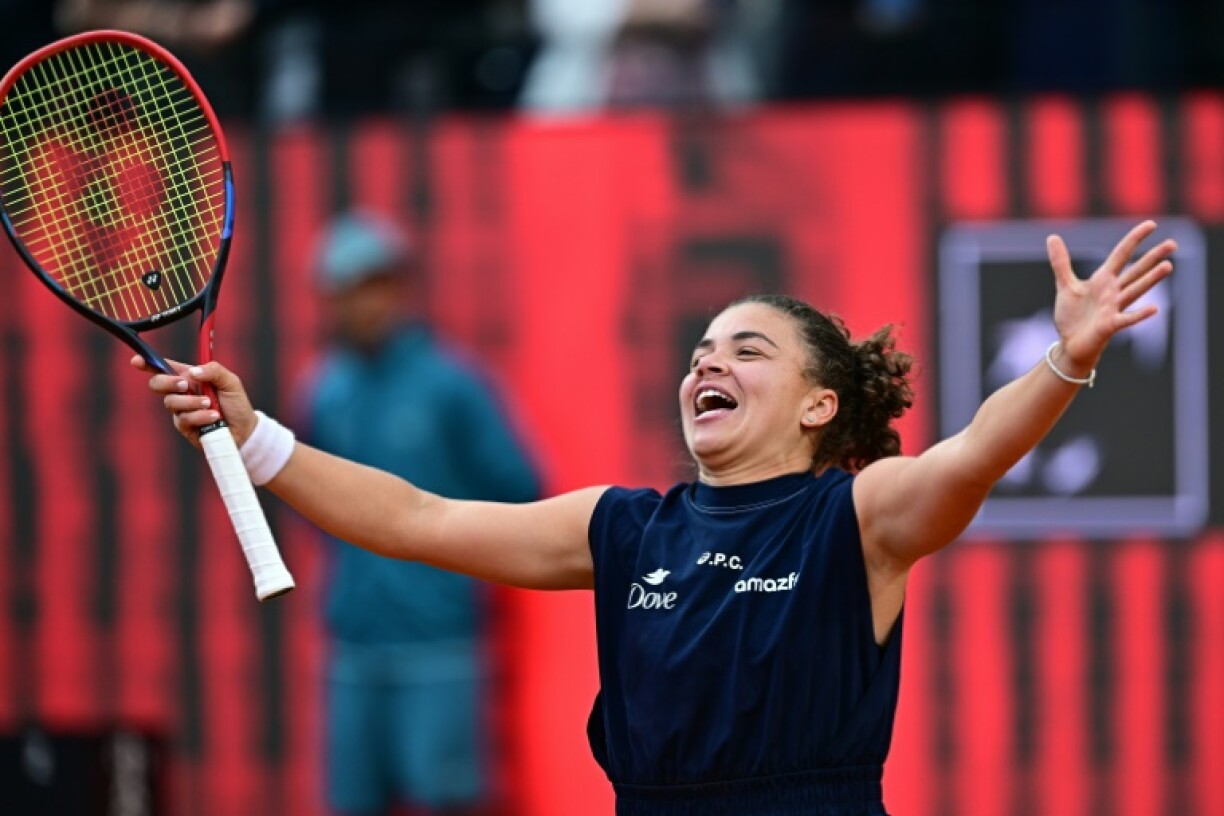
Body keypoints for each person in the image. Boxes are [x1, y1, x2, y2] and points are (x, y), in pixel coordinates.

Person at [139, 219, 1174, 815]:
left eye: (747, 350)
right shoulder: (626, 529)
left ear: (820, 405)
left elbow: (979, 451)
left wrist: (1065, 358)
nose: (707, 363)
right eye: (701, 352)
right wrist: (255, 433)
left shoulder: (860, 519)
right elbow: (418, 519)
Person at [296, 212, 542, 816]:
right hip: (352, 646)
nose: (364, 302)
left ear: (397, 288)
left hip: (440, 642)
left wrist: (447, 553)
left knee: (449, 804)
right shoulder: (323, 390)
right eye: (348, 289)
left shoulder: (452, 385)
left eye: (376, 284)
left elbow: (521, 489)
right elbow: (308, 503)